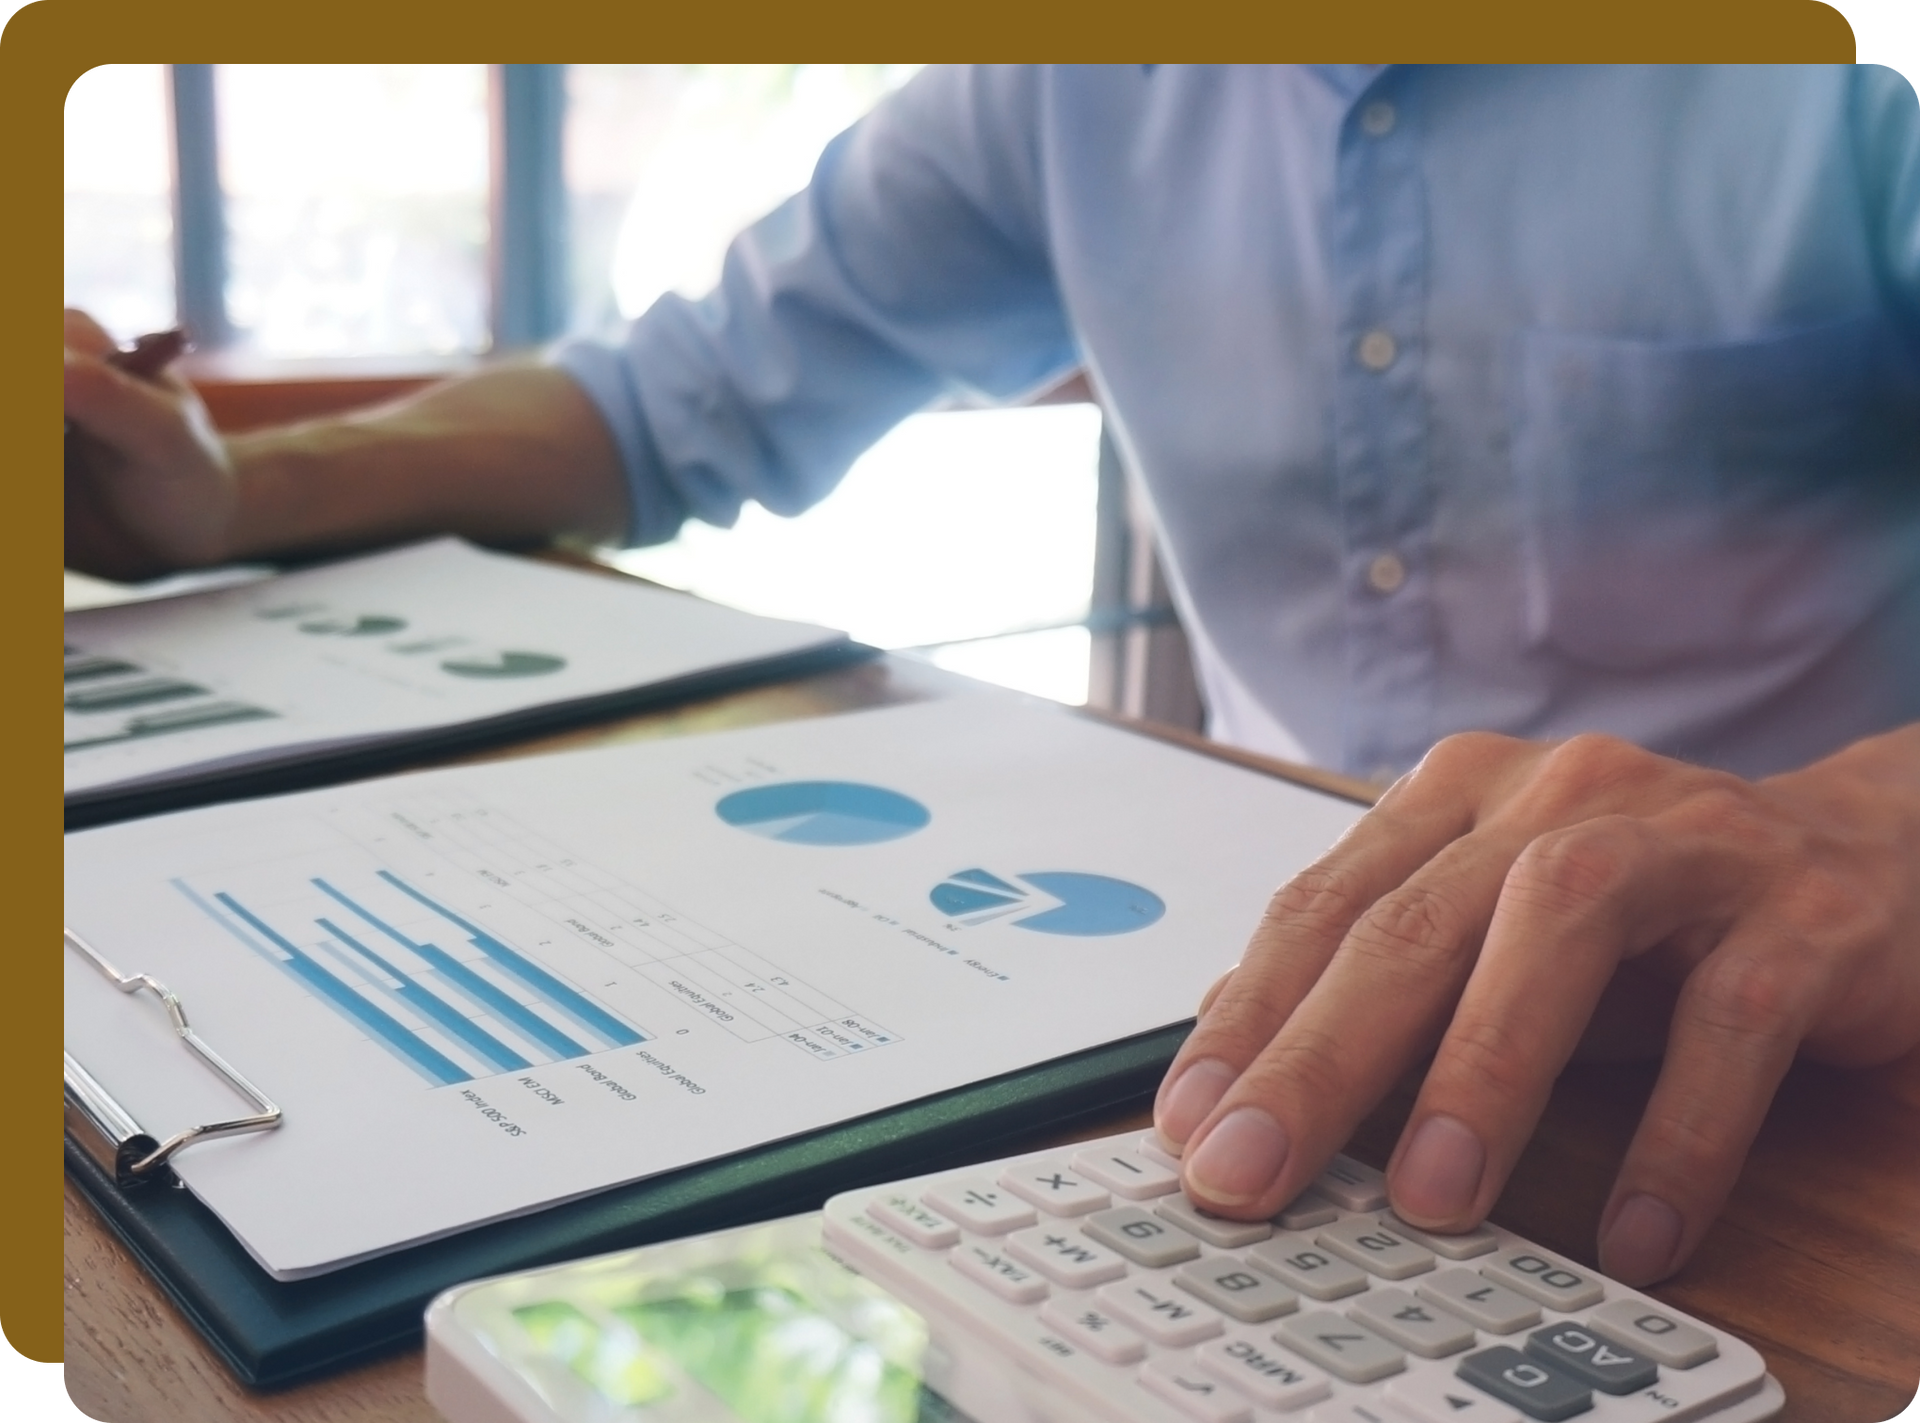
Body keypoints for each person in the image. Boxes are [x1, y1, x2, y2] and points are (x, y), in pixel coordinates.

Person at [65, 63, 1920, 1287]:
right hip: (1221, 994)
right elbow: (665, 397)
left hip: (1813, 1089)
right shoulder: (1062, 72)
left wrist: (1861, 819)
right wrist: (226, 493)